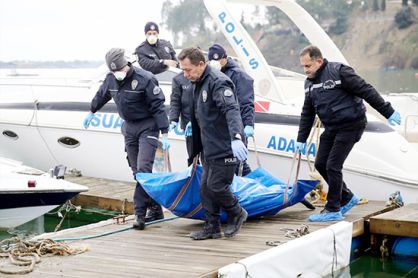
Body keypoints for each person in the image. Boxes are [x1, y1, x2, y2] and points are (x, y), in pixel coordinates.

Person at [296, 45, 401, 222]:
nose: (305, 70)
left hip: (351, 125)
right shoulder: (309, 84)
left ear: (319, 61)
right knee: (321, 163)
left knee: (333, 165)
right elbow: (307, 113)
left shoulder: (339, 72)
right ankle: (347, 197)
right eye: (303, 67)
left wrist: (388, 112)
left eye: (308, 66)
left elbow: (366, 90)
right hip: (331, 128)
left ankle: (333, 209)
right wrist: (301, 139)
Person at [83, 48, 170, 230]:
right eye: (114, 71)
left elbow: (158, 106)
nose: (117, 74)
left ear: (127, 64)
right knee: (135, 170)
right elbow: (102, 95)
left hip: (148, 126)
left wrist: (165, 132)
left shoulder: (145, 78)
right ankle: (155, 208)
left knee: (143, 170)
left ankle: (139, 214)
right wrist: (92, 111)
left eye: (120, 70)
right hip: (129, 127)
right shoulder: (111, 79)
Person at [178, 47, 248, 240]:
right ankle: (212, 227)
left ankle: (237, 212)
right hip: (208, 146)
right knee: (205, 189)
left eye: (188, 70)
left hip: (225, 145)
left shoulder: (218, 82)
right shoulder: (199, 82)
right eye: (183, 70)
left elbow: (231, 110)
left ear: (201, 64)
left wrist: (236, 137)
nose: (186, 74)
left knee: (216, 186)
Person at [208, 43, 255, 176]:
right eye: (212, 61)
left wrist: (248, 125)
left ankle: (253, 189)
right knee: (227, 164)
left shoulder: (238, 75)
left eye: (218, 60)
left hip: (236, 125)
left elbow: (246, 103)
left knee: (238, 164)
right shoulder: (212, 75)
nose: (215, 63)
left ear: (225, 58)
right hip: (220, 128)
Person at [168, 72, 195, 166]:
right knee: (192, 155)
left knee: (207, 155)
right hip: (188, 125)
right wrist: (173, 119)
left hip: (205, 123)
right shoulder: (178, 79)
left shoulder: (202, 76)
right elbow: (175, 100)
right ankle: (193, 176)